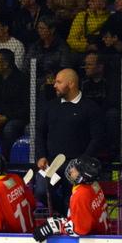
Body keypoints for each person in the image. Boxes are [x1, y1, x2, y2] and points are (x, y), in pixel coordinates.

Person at [35, 69, 106, 215]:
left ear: (71, 83)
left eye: (59, 82)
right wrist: (41, 156)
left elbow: (97, 138)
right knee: (42, 191)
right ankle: (61, 213)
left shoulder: (90, 107)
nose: (54, 85)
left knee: (72, 199)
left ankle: (68, 219)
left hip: (76, 164)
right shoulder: (50, 106)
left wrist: (82, 162)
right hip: (52, 163)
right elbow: (40, 133)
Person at [33, 156, 110, 242]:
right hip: (103, 235)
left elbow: (81, 230)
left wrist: (58, 226)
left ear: (82, 177)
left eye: (75, 170)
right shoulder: (94, 184)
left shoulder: (80, 194)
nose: (71, 170)